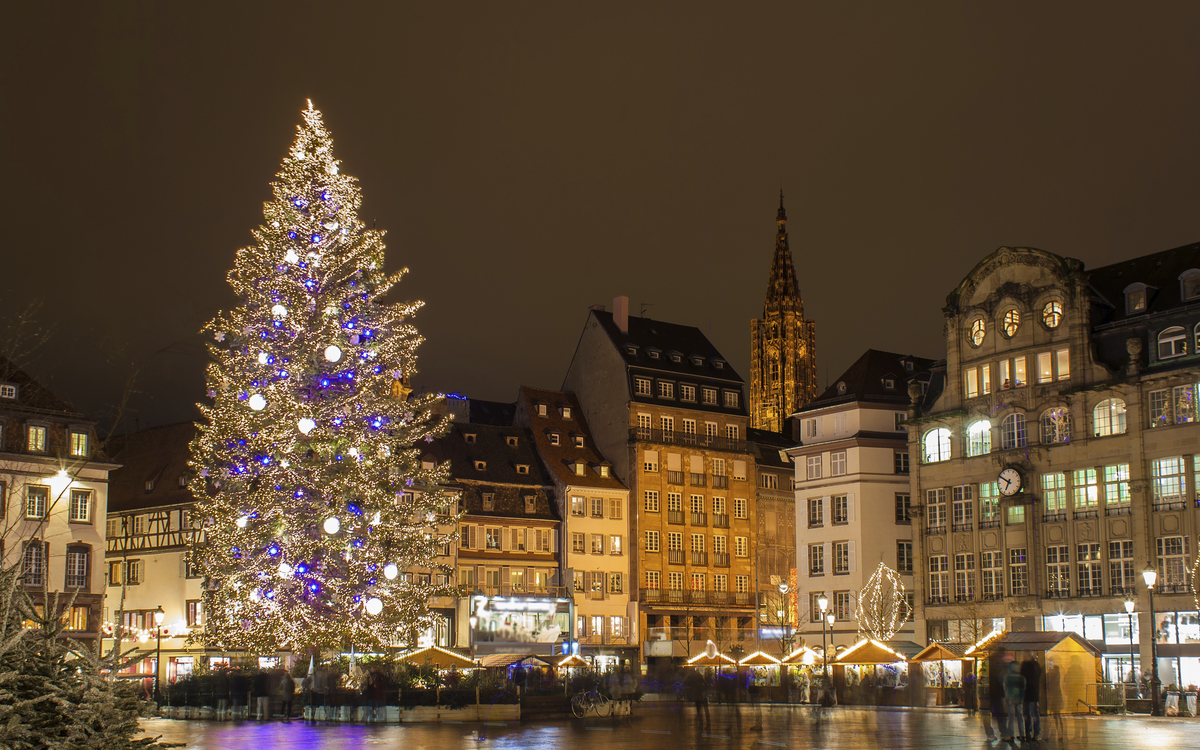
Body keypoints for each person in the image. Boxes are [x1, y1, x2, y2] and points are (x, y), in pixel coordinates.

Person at [1002, 661, 1026, 742]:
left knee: (1011, 717)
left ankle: (1011, 734)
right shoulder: (1022, 678)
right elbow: (1023, 690)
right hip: (1019, 699)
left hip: (1011, 699)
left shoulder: (1007, 677)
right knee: (1020, 717)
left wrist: (1007, 698)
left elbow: (1005, 689)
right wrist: (1022, 699)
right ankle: (1022, 734)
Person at [1020, 655, 1042, 740]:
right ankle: (1036, 733)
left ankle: (1029, 732)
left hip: (1027, 693)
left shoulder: (1026, 665)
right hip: (1033, 693)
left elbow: (1022, 677)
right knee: (1034, 713)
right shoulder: (1036, 665)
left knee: (1028, 713)